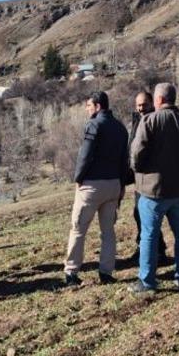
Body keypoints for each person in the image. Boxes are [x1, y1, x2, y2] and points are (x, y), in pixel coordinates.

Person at [129, 82, 179, 295]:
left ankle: (147, 281)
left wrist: (139, 172)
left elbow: (136, 154)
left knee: (149, 235)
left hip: (152, 191)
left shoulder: (149, 121)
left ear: (159, 100)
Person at [63, 90, 131, 286]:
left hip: (92, 185)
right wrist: (122, 184)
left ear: (98, 106)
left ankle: (71, 272)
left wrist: (78, 178)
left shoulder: (93, 125)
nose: (87, 109)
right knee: (108, 231)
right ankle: (106, 272)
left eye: (89, 106)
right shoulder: (120, 128)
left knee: (78, 229)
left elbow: (85, 155)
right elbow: (123, 160)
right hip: (113, 184)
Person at [129, 91, 169, 264]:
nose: (141, 108)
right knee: (139, 214)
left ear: (152, 103)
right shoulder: (137, 120)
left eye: (144, 104)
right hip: (140, 178)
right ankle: (146, 248)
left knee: (149, 216)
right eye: (138, 105)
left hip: (153, 177)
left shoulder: (156, 120)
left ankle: (157, 252)